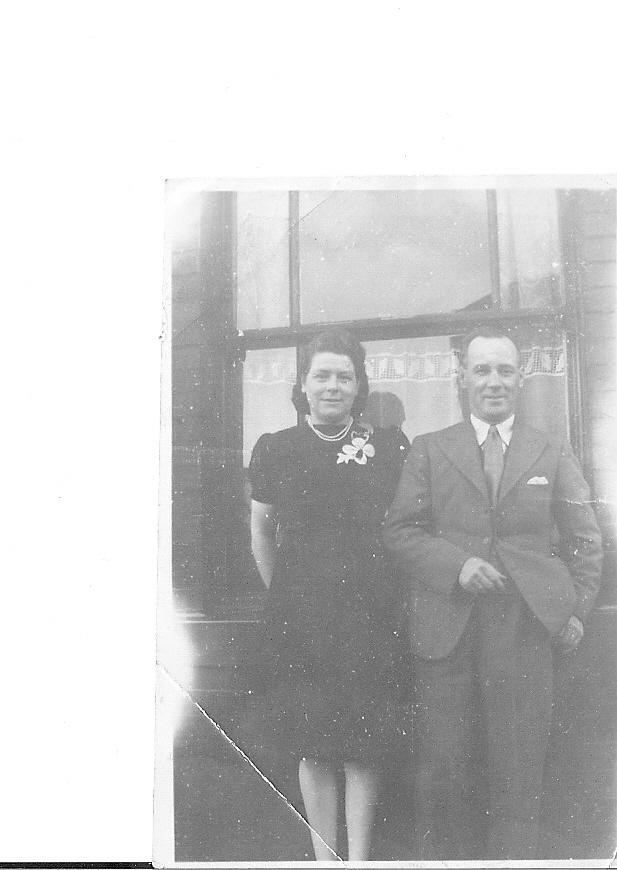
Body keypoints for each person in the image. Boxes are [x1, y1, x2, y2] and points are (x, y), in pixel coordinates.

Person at [382, 327, 603, 860]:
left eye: (505, 370)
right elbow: (399, 531)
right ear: (462, 378)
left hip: (526, 632)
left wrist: (574, 613)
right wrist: (456, 564)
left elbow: (585, 539)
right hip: (448, 632)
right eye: (482, 370)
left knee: (520, 770)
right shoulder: (431, 451)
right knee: (444, 770)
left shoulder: (551, 451)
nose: (494, 381)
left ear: (521, 379)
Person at [246, 328, 409, 861]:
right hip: (302, 620)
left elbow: (405, 526)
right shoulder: (276, 448)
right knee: (314, 745)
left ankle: (358, 858)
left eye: (345, 376)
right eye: (322, 375)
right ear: (303, 384)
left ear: (359, 385)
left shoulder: (386, 446)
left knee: (364, 745)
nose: (333, 385)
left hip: (370, 614)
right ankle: (324, 856)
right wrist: (286, 595)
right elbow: (262, 528)